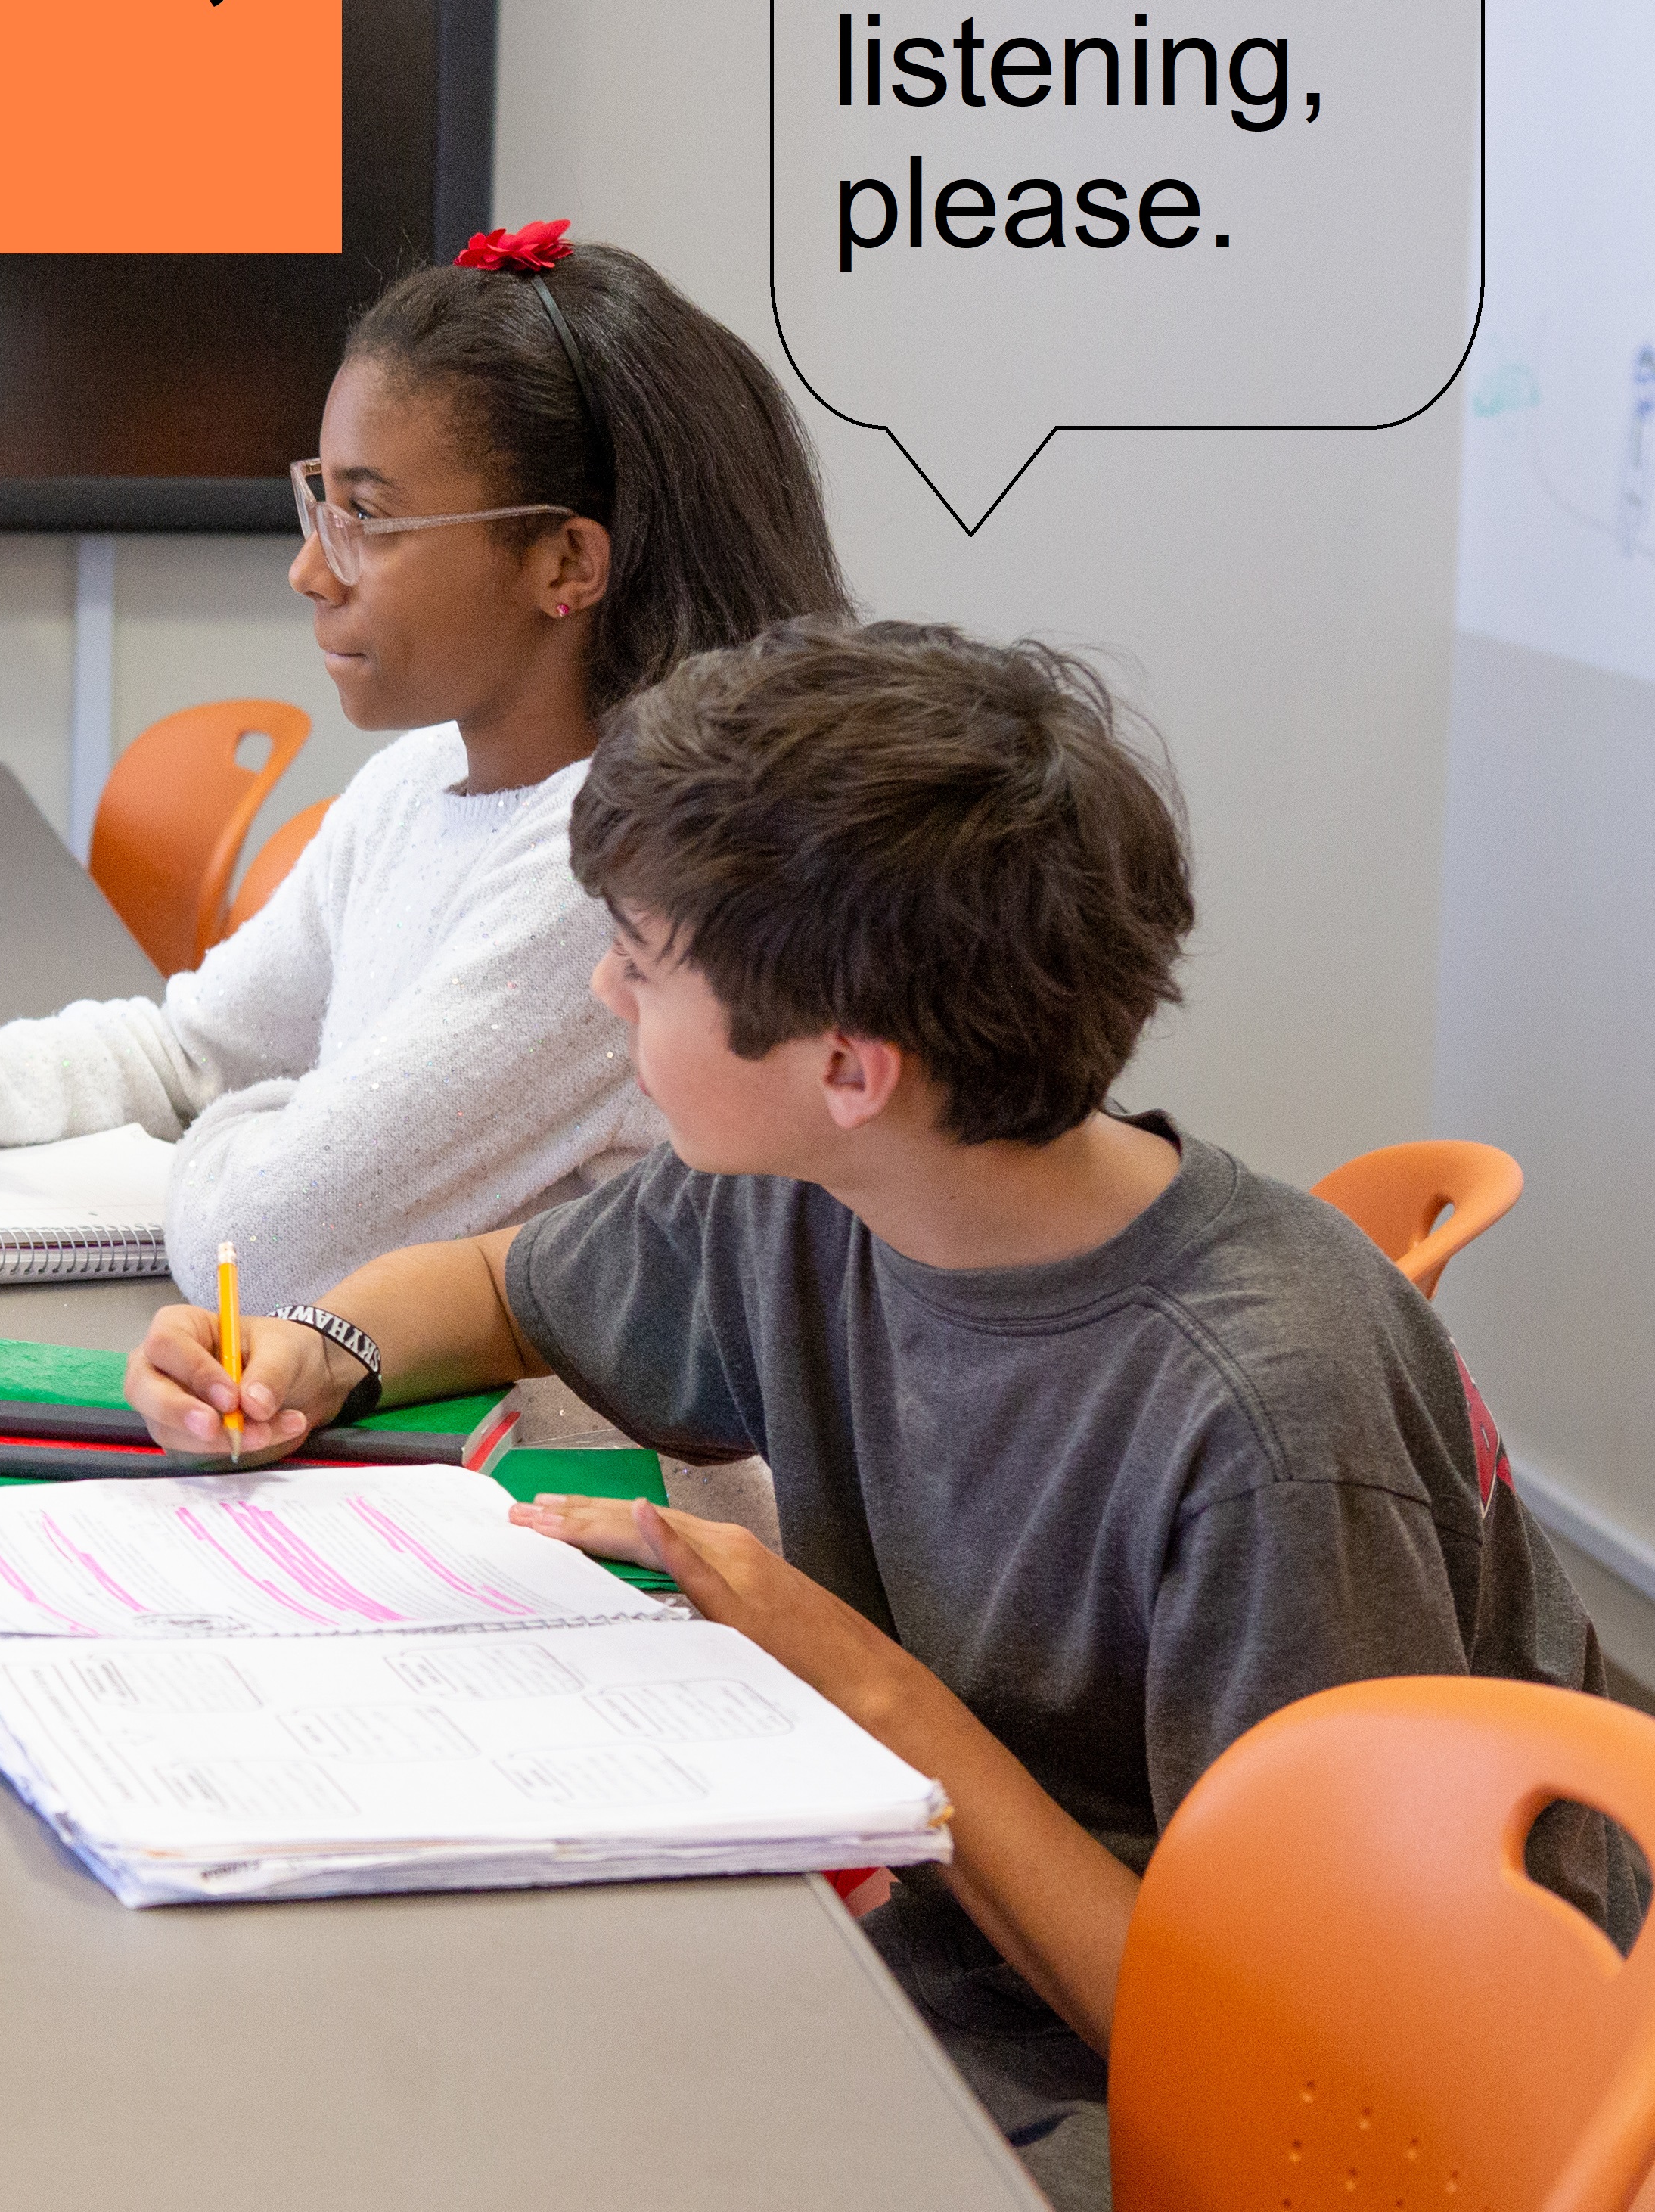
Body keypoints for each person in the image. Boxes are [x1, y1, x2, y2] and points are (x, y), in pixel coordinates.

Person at [124, 619, 1635, 2190]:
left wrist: (860, 1689)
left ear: (846, 1066)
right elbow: (504, 1289)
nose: (599, 989)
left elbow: (1303, 2052)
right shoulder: (823, 1190)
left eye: (640, 966)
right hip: (951, 1934)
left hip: (1270, 2098)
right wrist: (312, 1346)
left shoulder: (1261, 1422)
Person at [0, 222, 852, 1311]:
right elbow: (195, 1051)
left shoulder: (606, 872)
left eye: (367, 517)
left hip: (515, 1468)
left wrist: (289, 1115)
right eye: (320, 504)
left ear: (564, 561)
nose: (310, 569)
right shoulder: (417, 783)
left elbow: (263, 1248)